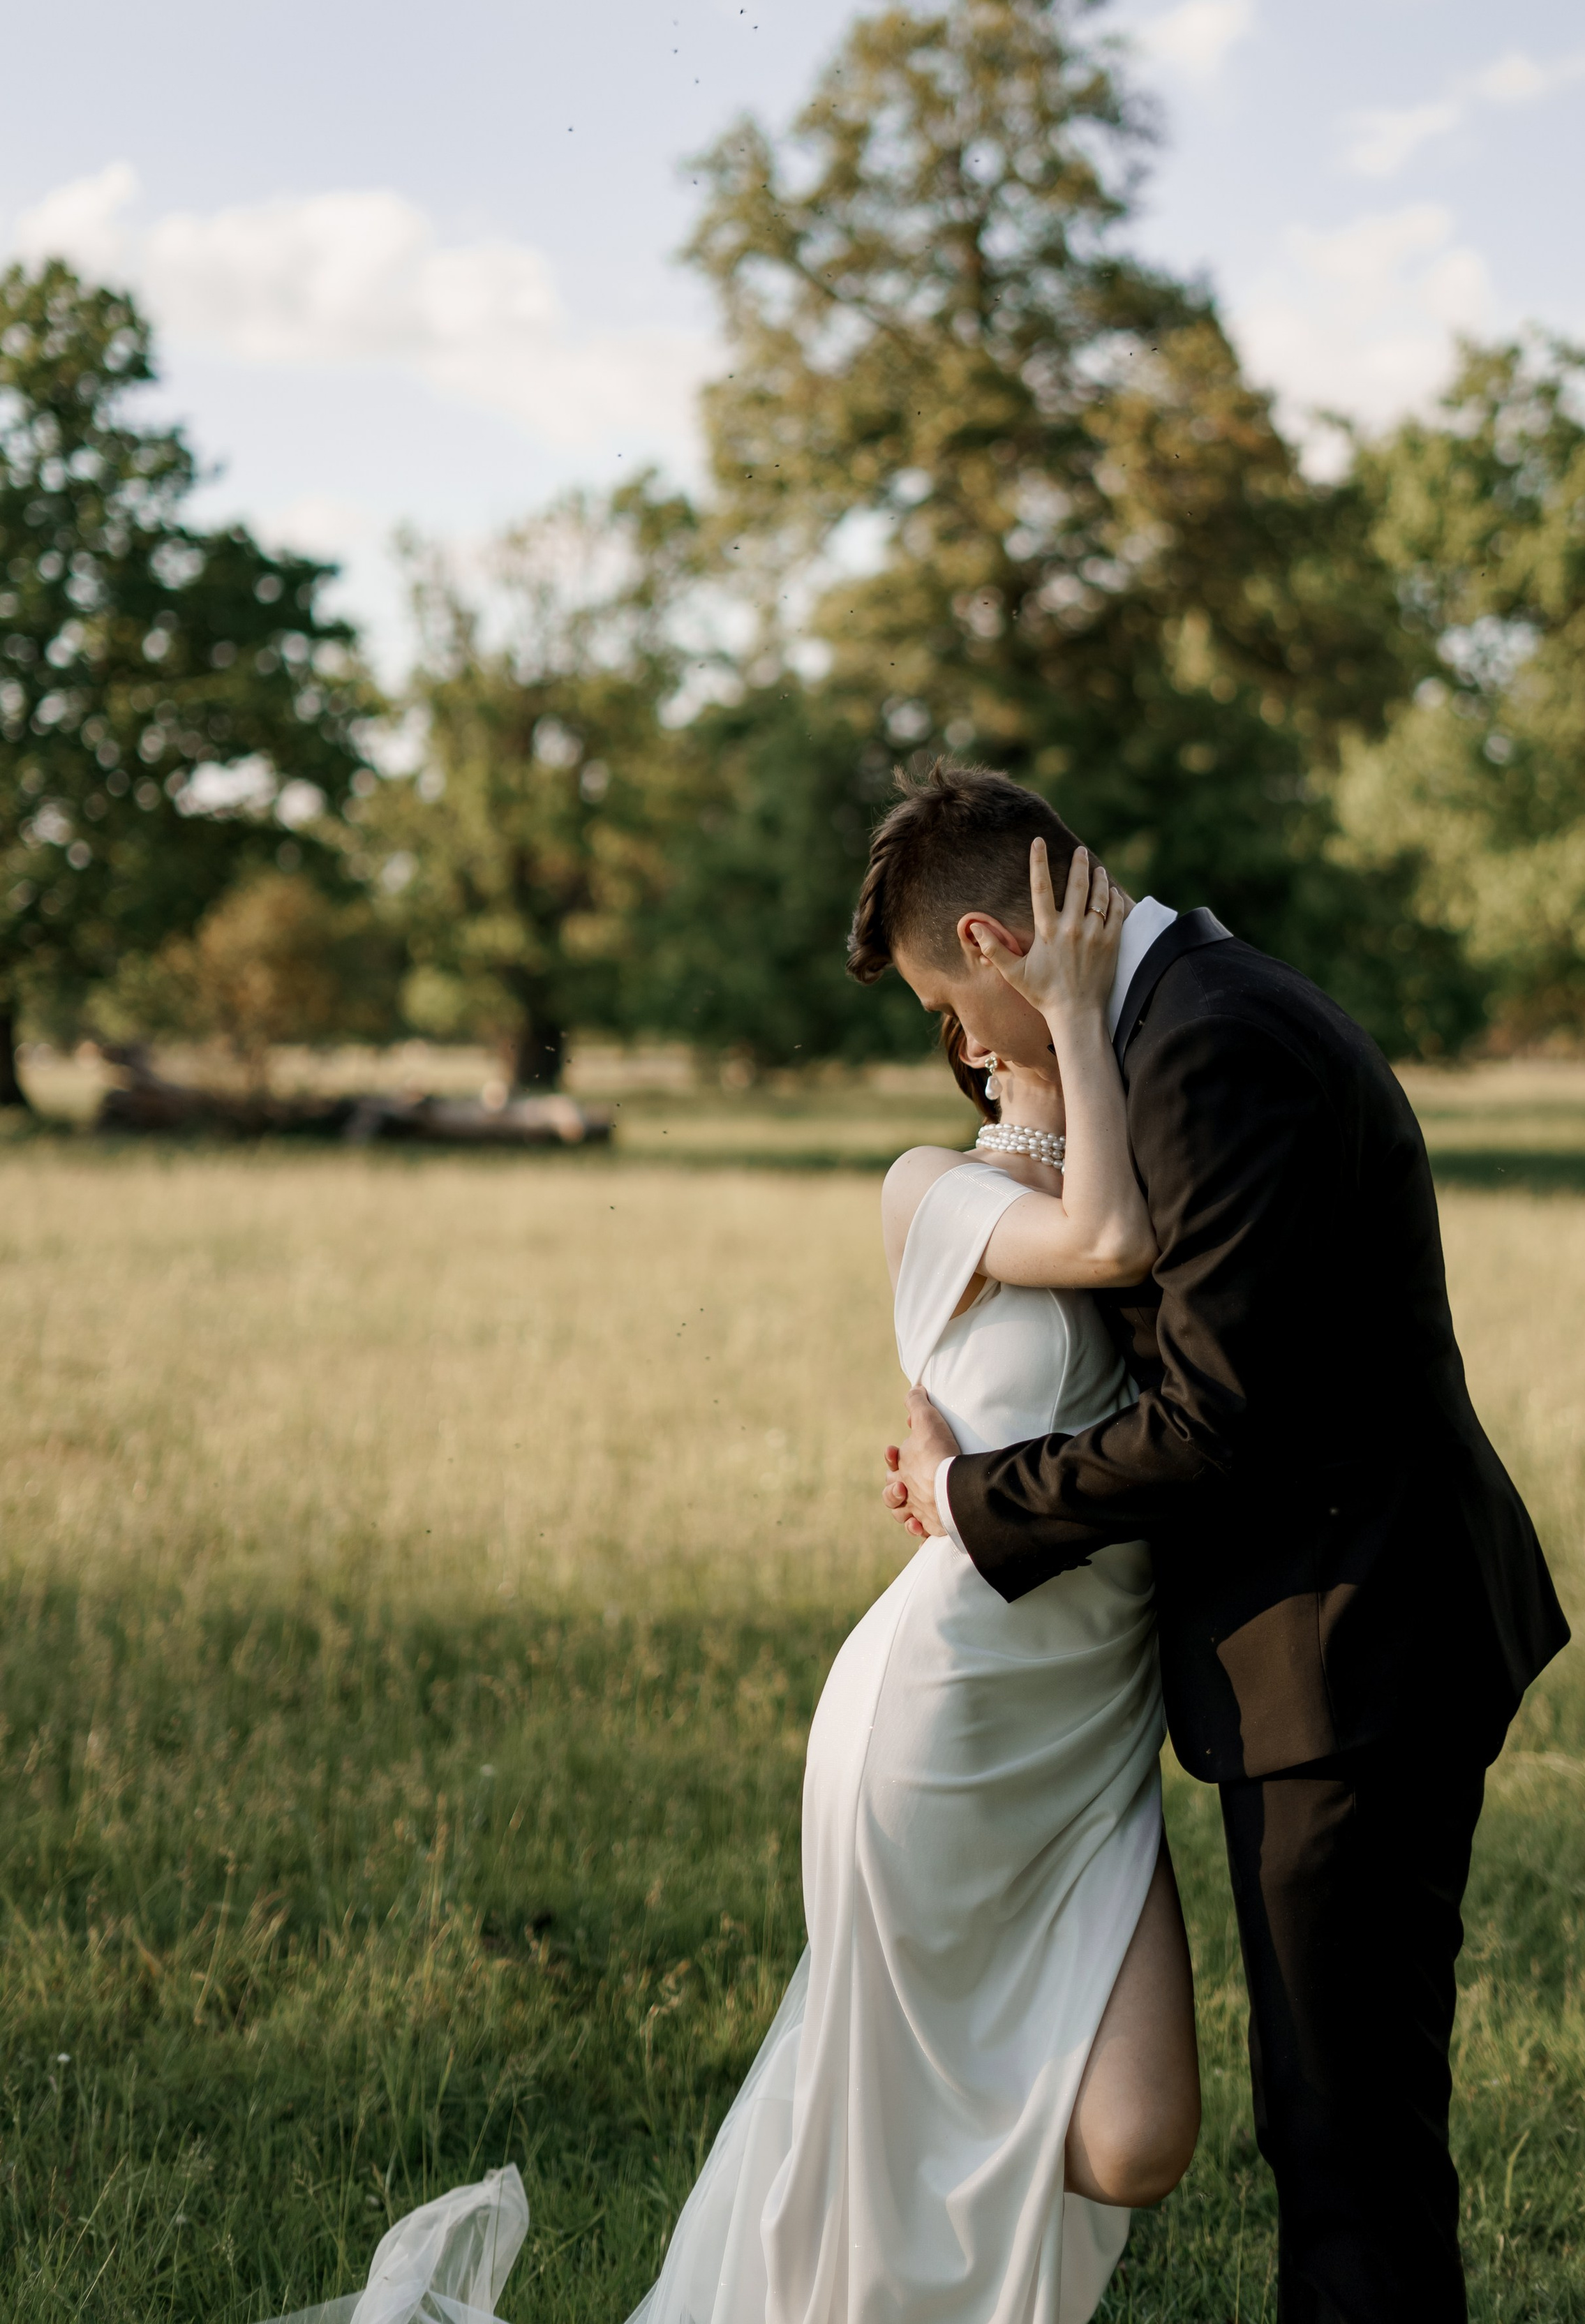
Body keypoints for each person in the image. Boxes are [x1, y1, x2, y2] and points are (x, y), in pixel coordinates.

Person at [271, 849, 1200, 2324]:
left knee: (1133, 2139)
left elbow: (1158, 1292)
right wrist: (1076, 1017)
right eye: (960, 1002)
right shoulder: (932, 1192)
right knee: (871, 2133)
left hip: (1091, 1733)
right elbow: (1101, 1241)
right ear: (965, 1036)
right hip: (943, 1722)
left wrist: (1092, 1035)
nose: (992, 1006)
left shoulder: (1152, 1153)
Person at [867, 761, 1570, 2324]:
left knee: (1346, 2141)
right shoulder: (1187, 1014)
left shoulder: (1207, 1045)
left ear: (993, 941)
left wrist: (972, 1498)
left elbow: (1212, 1421)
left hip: (1348, 1642)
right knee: (1340, 2123)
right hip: (1332, 1635)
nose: (962, 1048)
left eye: (948, 1002)